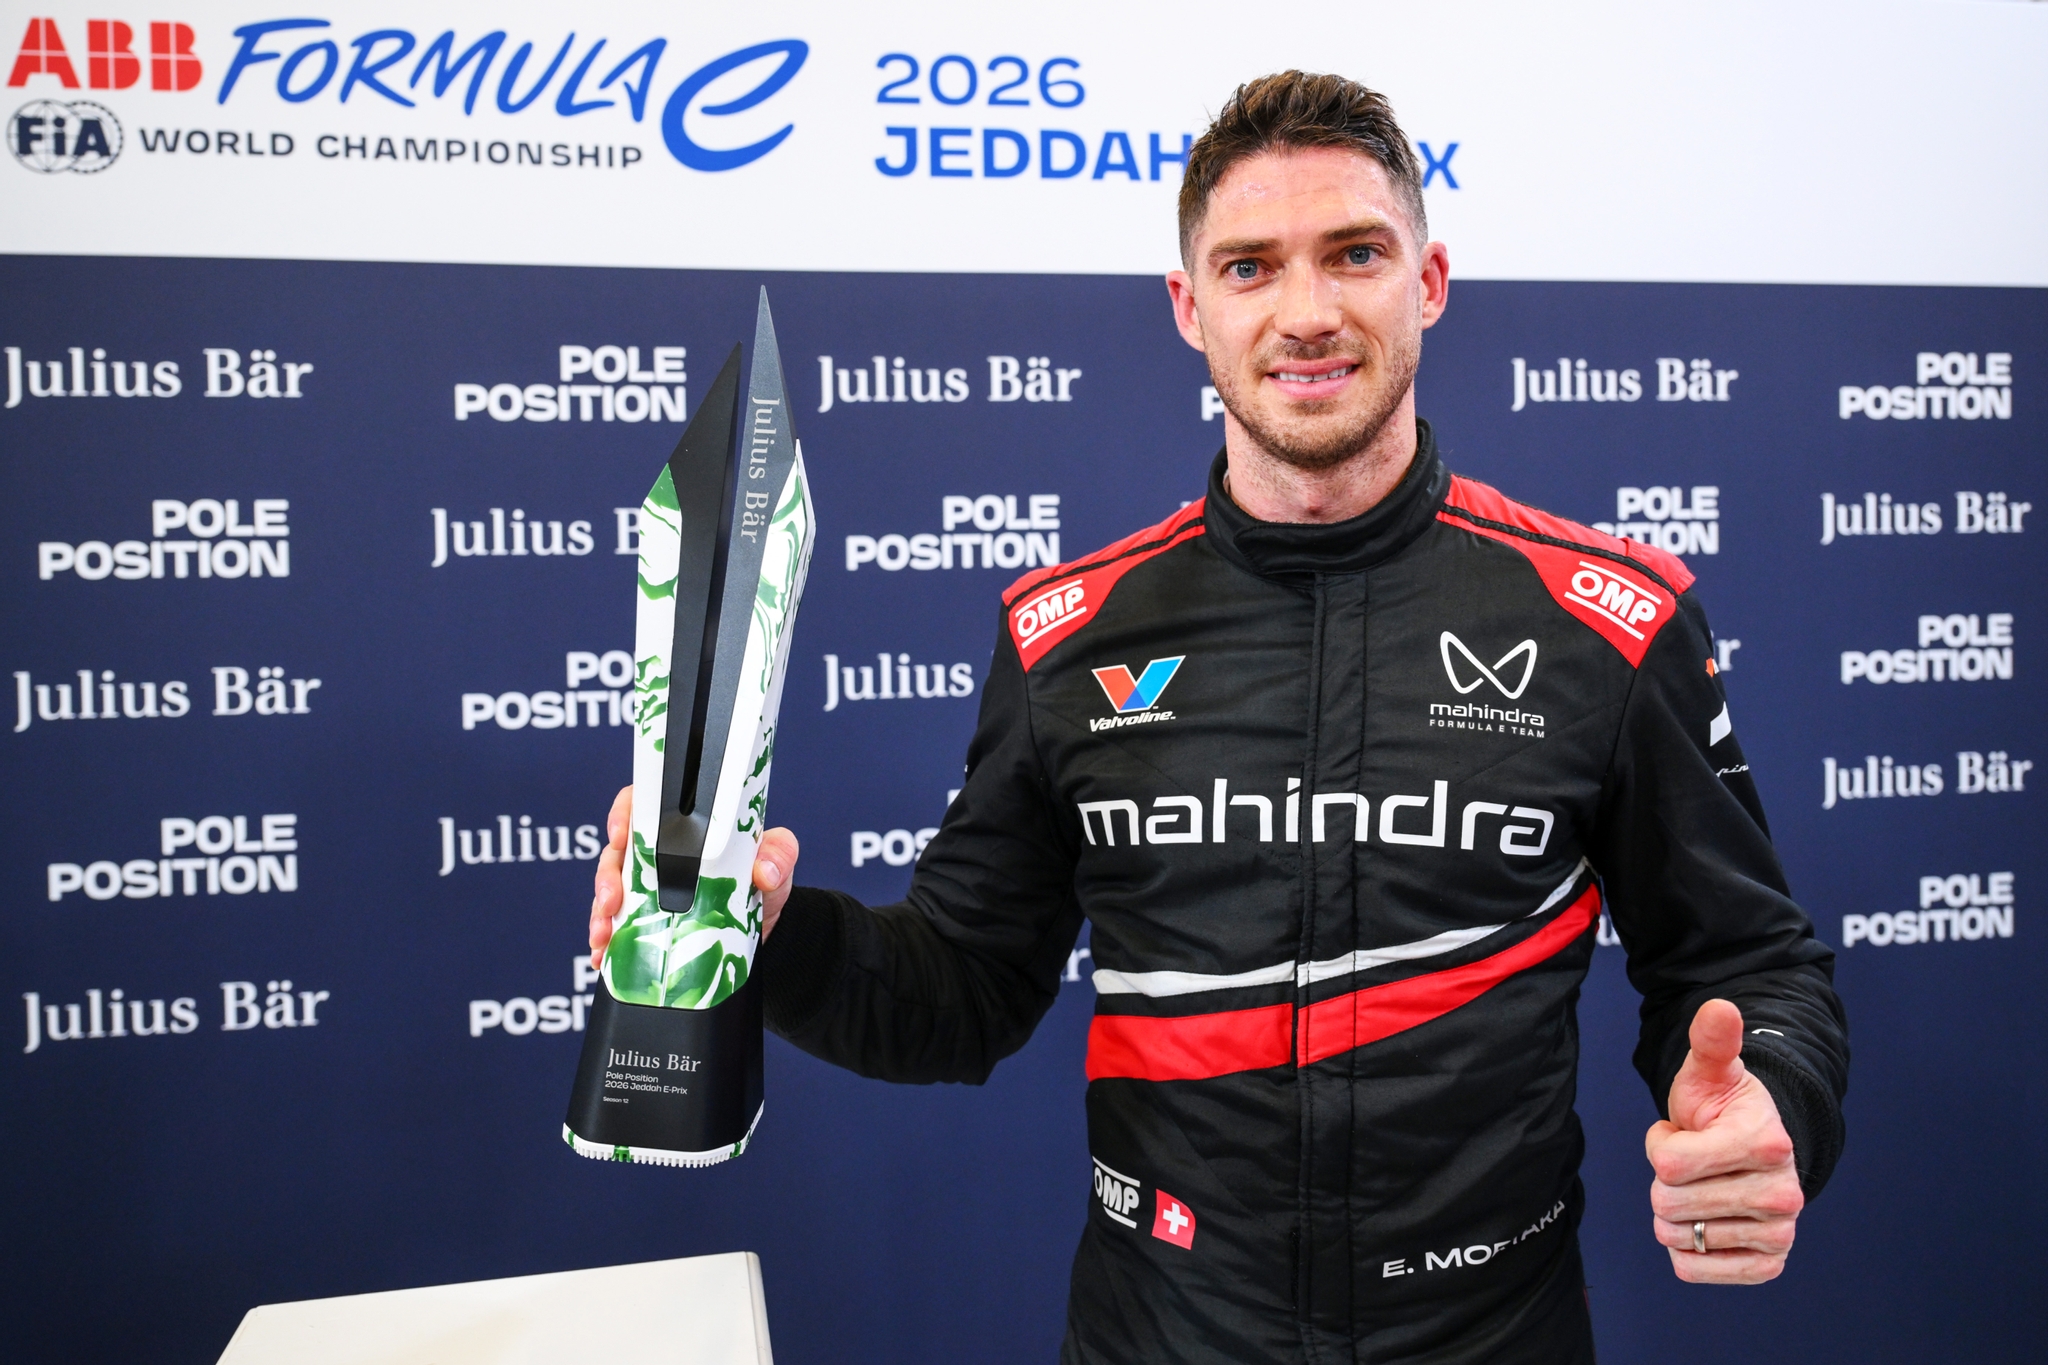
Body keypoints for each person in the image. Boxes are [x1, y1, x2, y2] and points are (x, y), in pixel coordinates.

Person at [589, 71, 1848, 1364]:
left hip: (1492, 1332)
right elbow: (955, 993)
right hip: (1161, 1335)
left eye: (1354, 253)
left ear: (1430, 280)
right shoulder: (1069, 636)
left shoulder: (1610, 621)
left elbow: (1748, 963)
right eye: (1251, 267)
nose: (1307, 311)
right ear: (1191, 309)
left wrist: (1771, 1098)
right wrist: (766, 930)